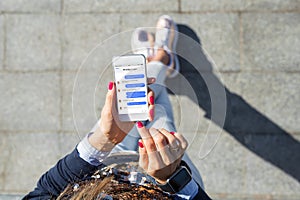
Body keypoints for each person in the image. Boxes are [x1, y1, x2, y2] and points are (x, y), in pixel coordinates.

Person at [24, 15, 211, 200]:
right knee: (160, 121)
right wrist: (173, 178)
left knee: (144, 99)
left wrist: (103, 139)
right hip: (170, 185)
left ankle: (159, 62)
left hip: (109, 165)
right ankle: (160, 60)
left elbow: (43, 193)